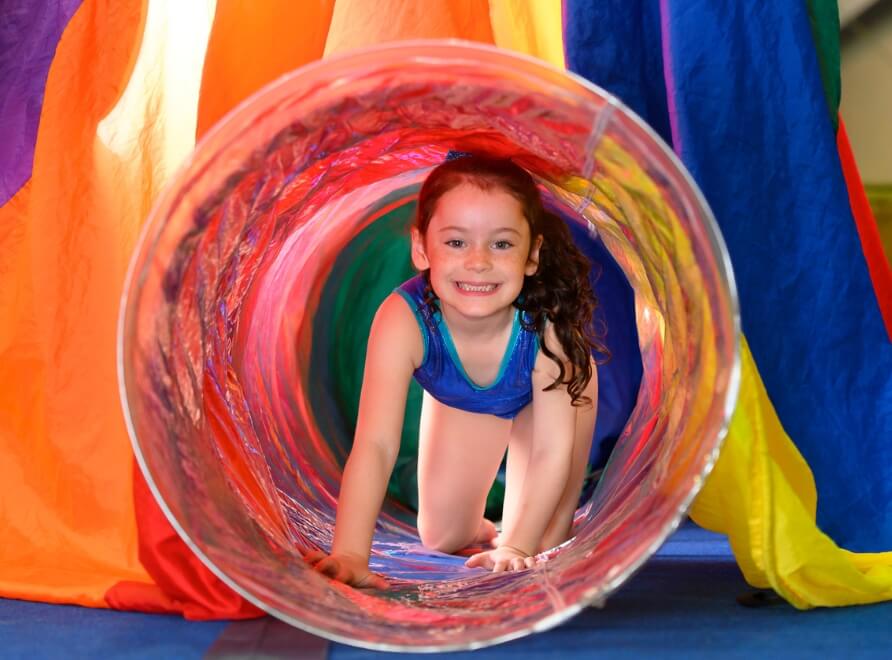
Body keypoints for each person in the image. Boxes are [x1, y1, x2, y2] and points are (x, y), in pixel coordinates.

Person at [307, 154, 606, 589]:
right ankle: (483, 526)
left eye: (502, 244)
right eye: (456, 243)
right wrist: (351, 553)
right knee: (442, 536)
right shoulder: (403, 319)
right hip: (465, 395)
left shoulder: (548, 328)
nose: (479, 262)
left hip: (553, 401)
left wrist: (517, 547)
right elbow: (375, 444)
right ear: (421, 249)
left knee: (541, 548)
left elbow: (552, 451)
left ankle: (525, 533)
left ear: (532, 255)